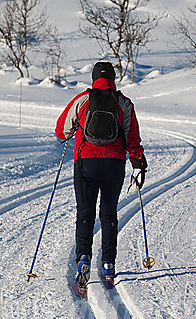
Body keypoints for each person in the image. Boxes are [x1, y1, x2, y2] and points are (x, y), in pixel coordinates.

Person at [55, 60, 147, 288]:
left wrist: (77, 127)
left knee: (85, 211)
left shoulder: (83, 100)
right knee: (108, 213)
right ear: (113, 79)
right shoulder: (124, 103)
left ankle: (83, 258)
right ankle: (108, 265)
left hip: (86, 161)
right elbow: (132, 136)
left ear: (93, 78)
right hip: (114, 164)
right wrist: (138, 163)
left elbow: (61, 132)